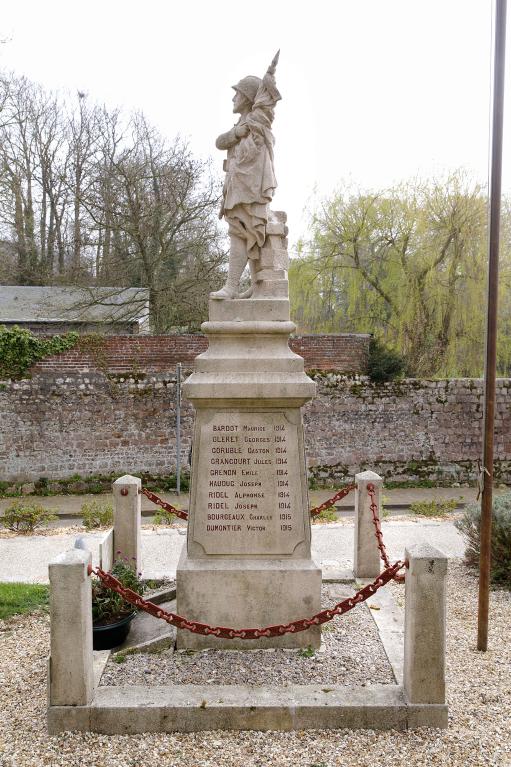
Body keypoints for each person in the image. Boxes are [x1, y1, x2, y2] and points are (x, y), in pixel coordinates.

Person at [210, 51, 281, 300]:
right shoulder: (241, 126)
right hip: (238, 187)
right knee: (242, 231)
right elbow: (220, 142)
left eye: (238, 93)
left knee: (246, 232)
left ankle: (236, 286)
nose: (233, 97)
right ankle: (243, 285)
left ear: (248, 98)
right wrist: (237, 133)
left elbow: (265, 103)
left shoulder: (258, 120)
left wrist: (269, 76)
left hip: (251, 188)